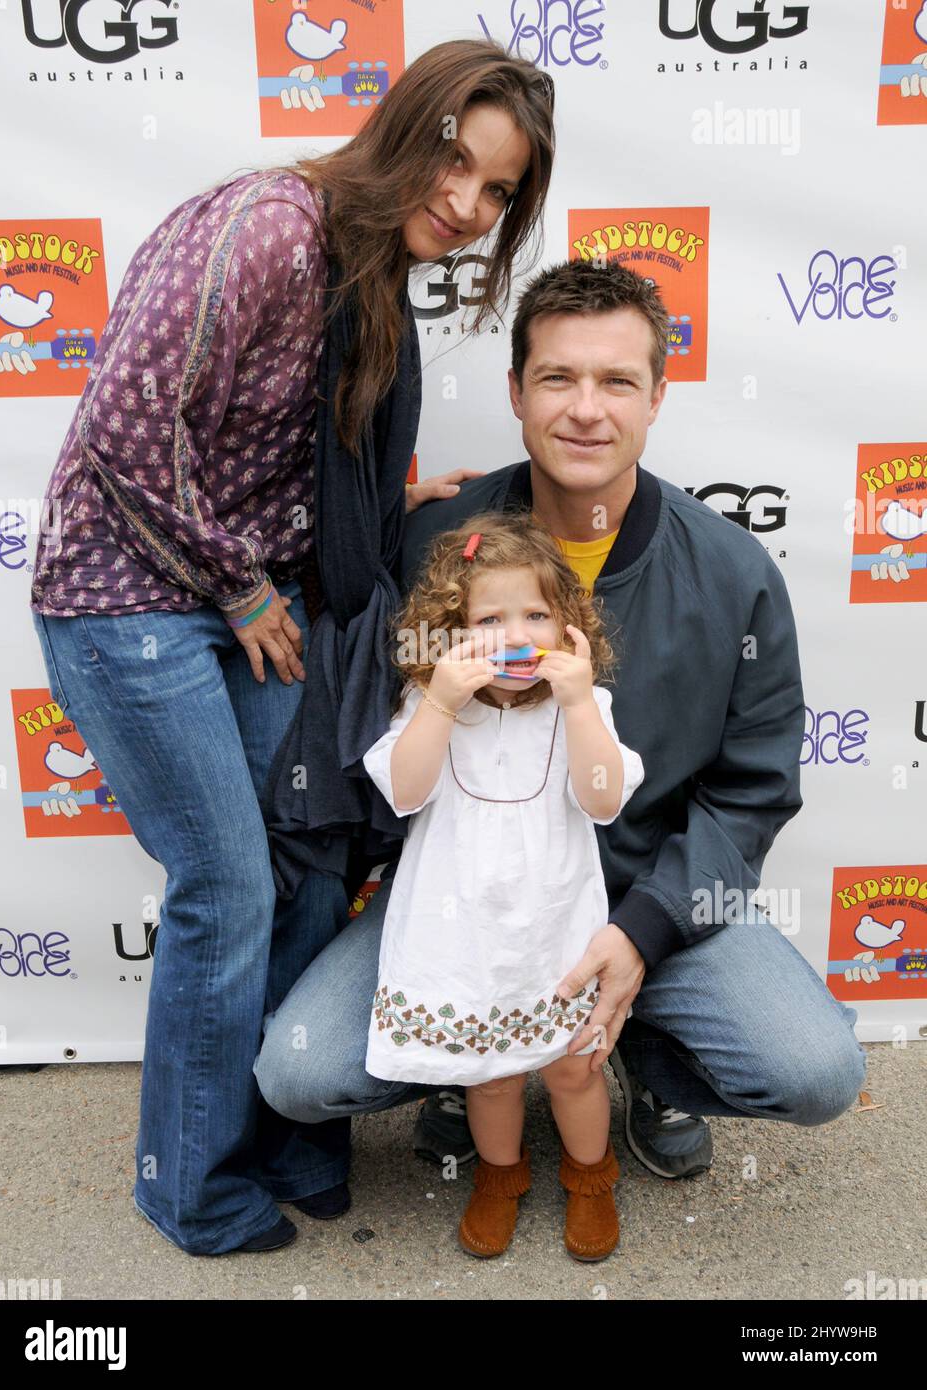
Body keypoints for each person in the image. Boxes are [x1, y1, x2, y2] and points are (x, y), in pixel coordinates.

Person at [28, 38, 556, 1257]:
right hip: (128, 594)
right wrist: (238, 585)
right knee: (226, 883)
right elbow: (121, 429)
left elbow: (278, 450)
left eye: (495, 192)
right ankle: (186, 1184)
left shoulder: (365, 265)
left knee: (308, 851)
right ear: (408, 125)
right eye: (456, 162)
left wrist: (403, 496)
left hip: (249, 590)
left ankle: (277, 1129)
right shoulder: (269, 226)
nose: (466, 205)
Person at [254, 259, 868, 1219]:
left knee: (816, 1070)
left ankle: (642, 1061)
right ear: (514, 391)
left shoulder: (733, 570)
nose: (587, 409)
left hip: (644, 893)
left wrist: (644, 932)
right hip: (468, 892)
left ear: (659, 396)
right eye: (557, 378)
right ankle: (479, 1060)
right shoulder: (433, 545)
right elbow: (374, 733)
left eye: (618, 380)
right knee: (299, 1072)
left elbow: (750, 792)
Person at [359, 514, 645, 1259]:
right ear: (451, 630)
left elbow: (604, 799)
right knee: (491, 1080)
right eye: (489, 619)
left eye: (536, 615)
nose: (516, 635)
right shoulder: (428, 707)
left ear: (569, 625)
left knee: (575, 1069)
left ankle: (591, 1176)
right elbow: (404, 791)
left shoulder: (583, 707)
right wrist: (443, 700)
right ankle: (499, 1174)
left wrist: (581, 701)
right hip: (465, 936)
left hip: (556, 931)